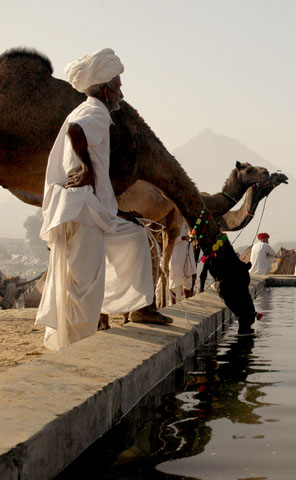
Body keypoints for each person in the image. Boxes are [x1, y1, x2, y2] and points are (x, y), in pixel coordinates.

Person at [35, 48, 171, 350]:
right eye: (118, 85)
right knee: (84, 287)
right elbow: (75, 132)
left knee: (135, 235)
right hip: (80, 212)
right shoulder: (94, 112)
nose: (121, 91)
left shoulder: (89, 110)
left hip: (90, 209)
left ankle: (139, 306)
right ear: (107, 88)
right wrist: (84, 166)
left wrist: (120, 214)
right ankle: (77, 348)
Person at [168, 223, 196, 303]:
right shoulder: (173, 220)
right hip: (176, 257)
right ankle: (173, 306)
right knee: (174, 283)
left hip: (187, 256)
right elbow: (169, 238)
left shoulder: (187, 221)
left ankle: (188, 304)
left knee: (188, 282)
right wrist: (182, 238)